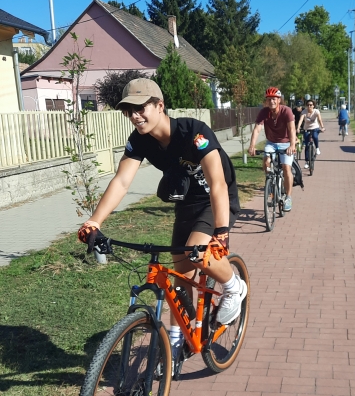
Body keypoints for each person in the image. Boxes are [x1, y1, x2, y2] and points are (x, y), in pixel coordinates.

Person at [77, 78, 246, 364]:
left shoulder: (194, 132)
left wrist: (221, 232)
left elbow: (217, 183)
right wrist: (94, 221)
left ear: (159, 105)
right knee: (180, 278)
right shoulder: (139, 140)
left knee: (200, 255)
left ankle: (233, 286)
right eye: (128, 111)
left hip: (216, 198)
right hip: (187, 203)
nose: (134, 116)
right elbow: (122, 181)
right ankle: (179, 338)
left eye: (140, 108)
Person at [248, 87, 296, 212]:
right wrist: (252, 146)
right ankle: (271, 183)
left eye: (274, 99)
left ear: (279, 100)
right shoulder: (264, 112)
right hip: (271, 143)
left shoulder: (286, 111)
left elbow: (292, 129)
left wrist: (292, 145)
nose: (271, 102)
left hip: (286, 143)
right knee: (266, 162)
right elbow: (257, 129)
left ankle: (288, 197)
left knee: (286, 168)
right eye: (269, 99)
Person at [297, 98, 325, 169]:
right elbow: (301, 120)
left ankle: (317, 148)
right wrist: (298, 128)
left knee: (315, 136)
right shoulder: (304, 112)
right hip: (307, 128)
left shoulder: (316, 111)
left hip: (315, 128)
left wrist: (322, 127)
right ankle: (306, 161)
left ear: (313, 105)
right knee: (307, 145)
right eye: (308, 105)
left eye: (311, 105)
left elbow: (320, 120)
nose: (309, 106)